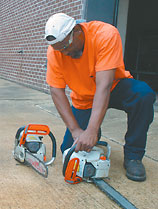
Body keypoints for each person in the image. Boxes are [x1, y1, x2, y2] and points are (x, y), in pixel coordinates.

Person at [44, 13, 156, 181]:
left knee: (143, 94)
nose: (64, 53)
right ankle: (93, 133)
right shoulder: (56, 51)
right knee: (69, 150)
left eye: (66, 47)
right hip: (84, 98)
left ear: (76, 31)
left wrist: (91, 130)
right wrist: (76, 131)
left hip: (114, 87)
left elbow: (103, 86)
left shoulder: (105, 34)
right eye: (59, 49)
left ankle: (134, 156)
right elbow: (56, 91)